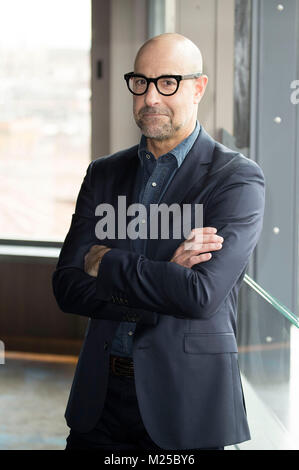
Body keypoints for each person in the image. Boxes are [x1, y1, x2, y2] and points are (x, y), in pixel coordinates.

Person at [52, 33, 265, 451]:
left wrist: (106, 260)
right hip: (99, 402)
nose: (151, 97)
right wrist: (166, 274)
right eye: (141, 82)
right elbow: (66, 287)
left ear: (198, 87)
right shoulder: (103, 174)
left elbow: (200, 294)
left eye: (167, 82)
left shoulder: (235, 179)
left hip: (185, 404)